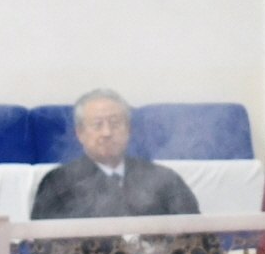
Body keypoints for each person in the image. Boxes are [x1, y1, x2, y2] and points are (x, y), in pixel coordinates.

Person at [30, 89, 200, 218]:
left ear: (129, 129)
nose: (107, 133)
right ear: (80, 133)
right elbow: (43, 247)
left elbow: (198, 235)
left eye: (115, 123)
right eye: (97, 125)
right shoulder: (57, 183)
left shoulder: (164, 179)